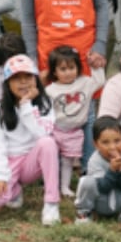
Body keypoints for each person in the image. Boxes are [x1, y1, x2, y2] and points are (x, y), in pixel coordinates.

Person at [0, 56, 64, 226]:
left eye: (28, 77)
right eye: (17, 78)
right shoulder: (1, 109)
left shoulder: (45, 103)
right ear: (8, 82)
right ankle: (14, 190)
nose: (23, 82)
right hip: (11, 161)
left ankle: (51, 203)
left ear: (36, 79)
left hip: (33, 159)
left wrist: (26, 105)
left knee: (48, 143)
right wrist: (0, 175)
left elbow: (43, 133)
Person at [42, 44, 102, 191]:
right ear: (54, 72)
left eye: (71, 68)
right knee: (53, 160)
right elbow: (44, 111)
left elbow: (100, 81)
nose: (68, 72)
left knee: (67, 161)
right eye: (63, 69)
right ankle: (51, 184)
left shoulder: (85, 83)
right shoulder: (50, 90)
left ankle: (65, 187)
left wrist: (95, 66)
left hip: (74, 132)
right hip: (56, 130)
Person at [75, 117, 121, 226]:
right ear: (96, 144)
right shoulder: (95, 160)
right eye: (105, 142)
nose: (112, 147)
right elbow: (103, 187)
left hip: (120, 199)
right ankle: (84, 212)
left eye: (117, 141)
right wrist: (113, 170)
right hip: (101, 202)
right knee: (87, 182)